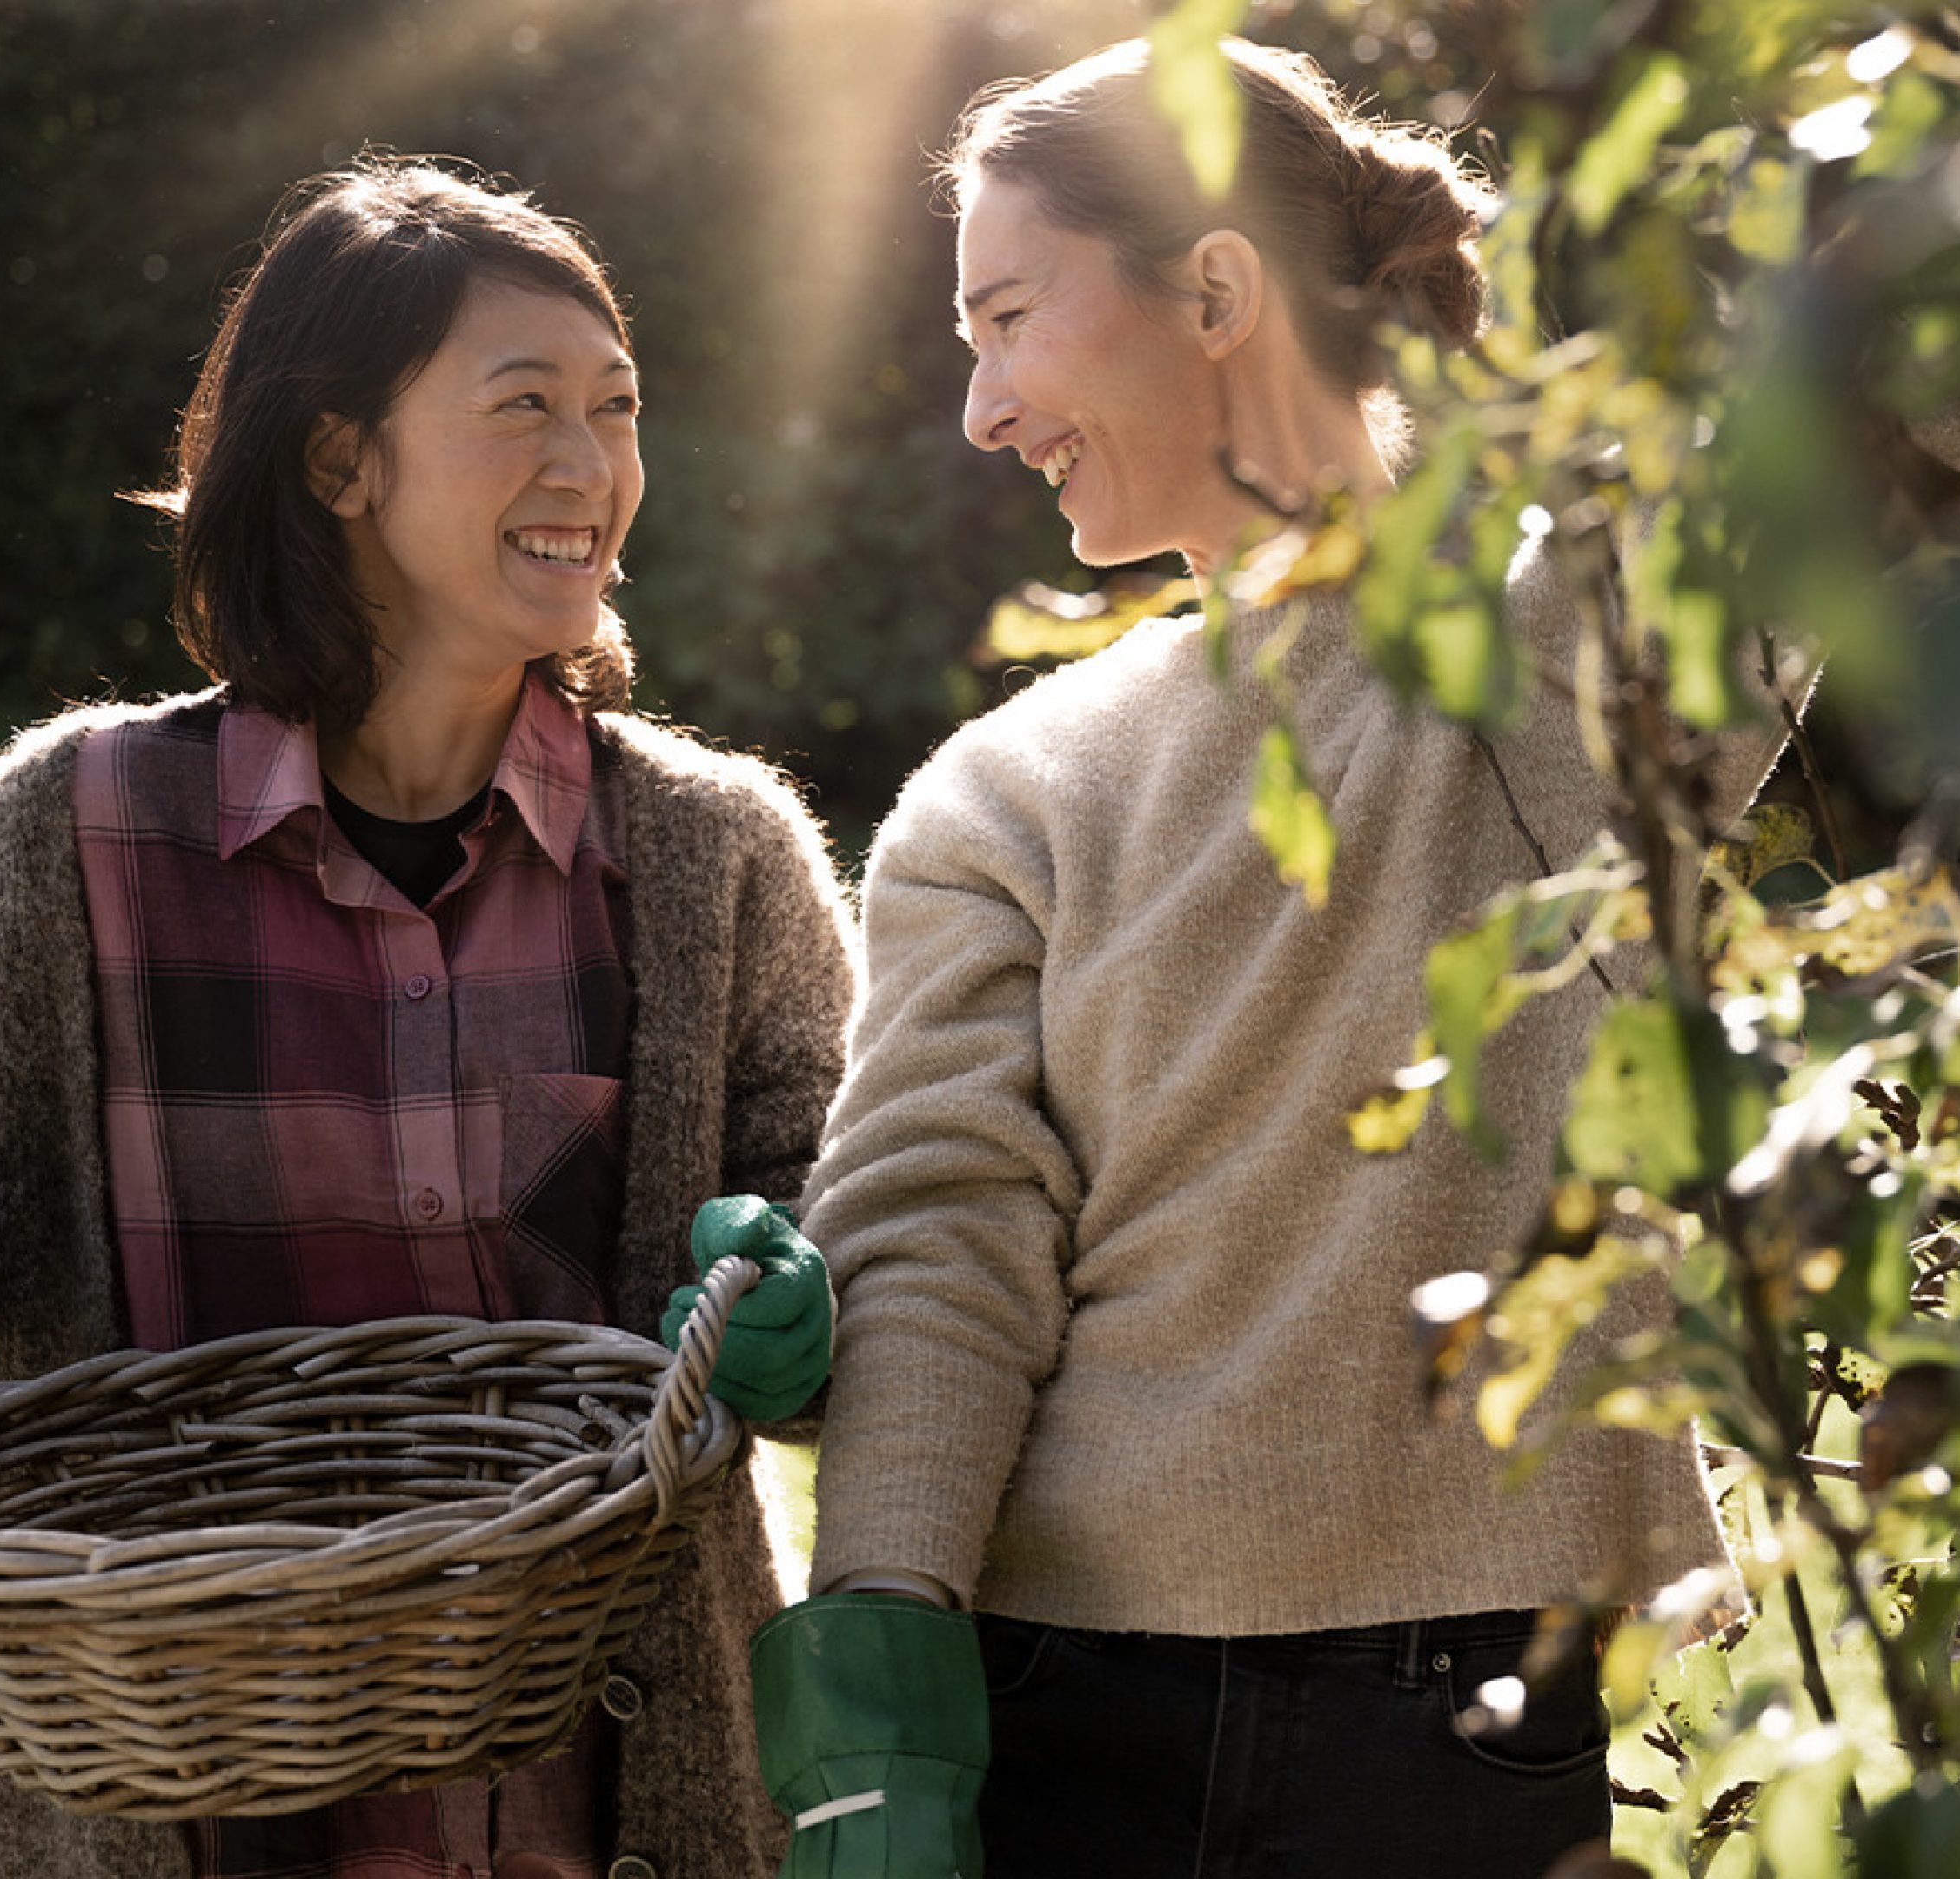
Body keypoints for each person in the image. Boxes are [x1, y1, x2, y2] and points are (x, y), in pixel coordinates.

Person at [0, 159, 854, 1879]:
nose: (593, 468)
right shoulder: (73, 830)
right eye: (524, 406)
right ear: (339, 460)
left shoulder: (715, 857)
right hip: (173, 1799)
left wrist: (811, 1292)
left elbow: (844, 1218)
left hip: (604, 1817)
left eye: (617, 412)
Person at [745, 39, 1792, 1879]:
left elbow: (1877, 412)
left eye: (1005, 318)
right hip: (1055, 1701)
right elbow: (938, 1234)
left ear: (1216, 286)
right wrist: (888, 1644)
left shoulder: (1551, 652)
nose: (981, 408)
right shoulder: (1007, 790)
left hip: (1460, 1712)